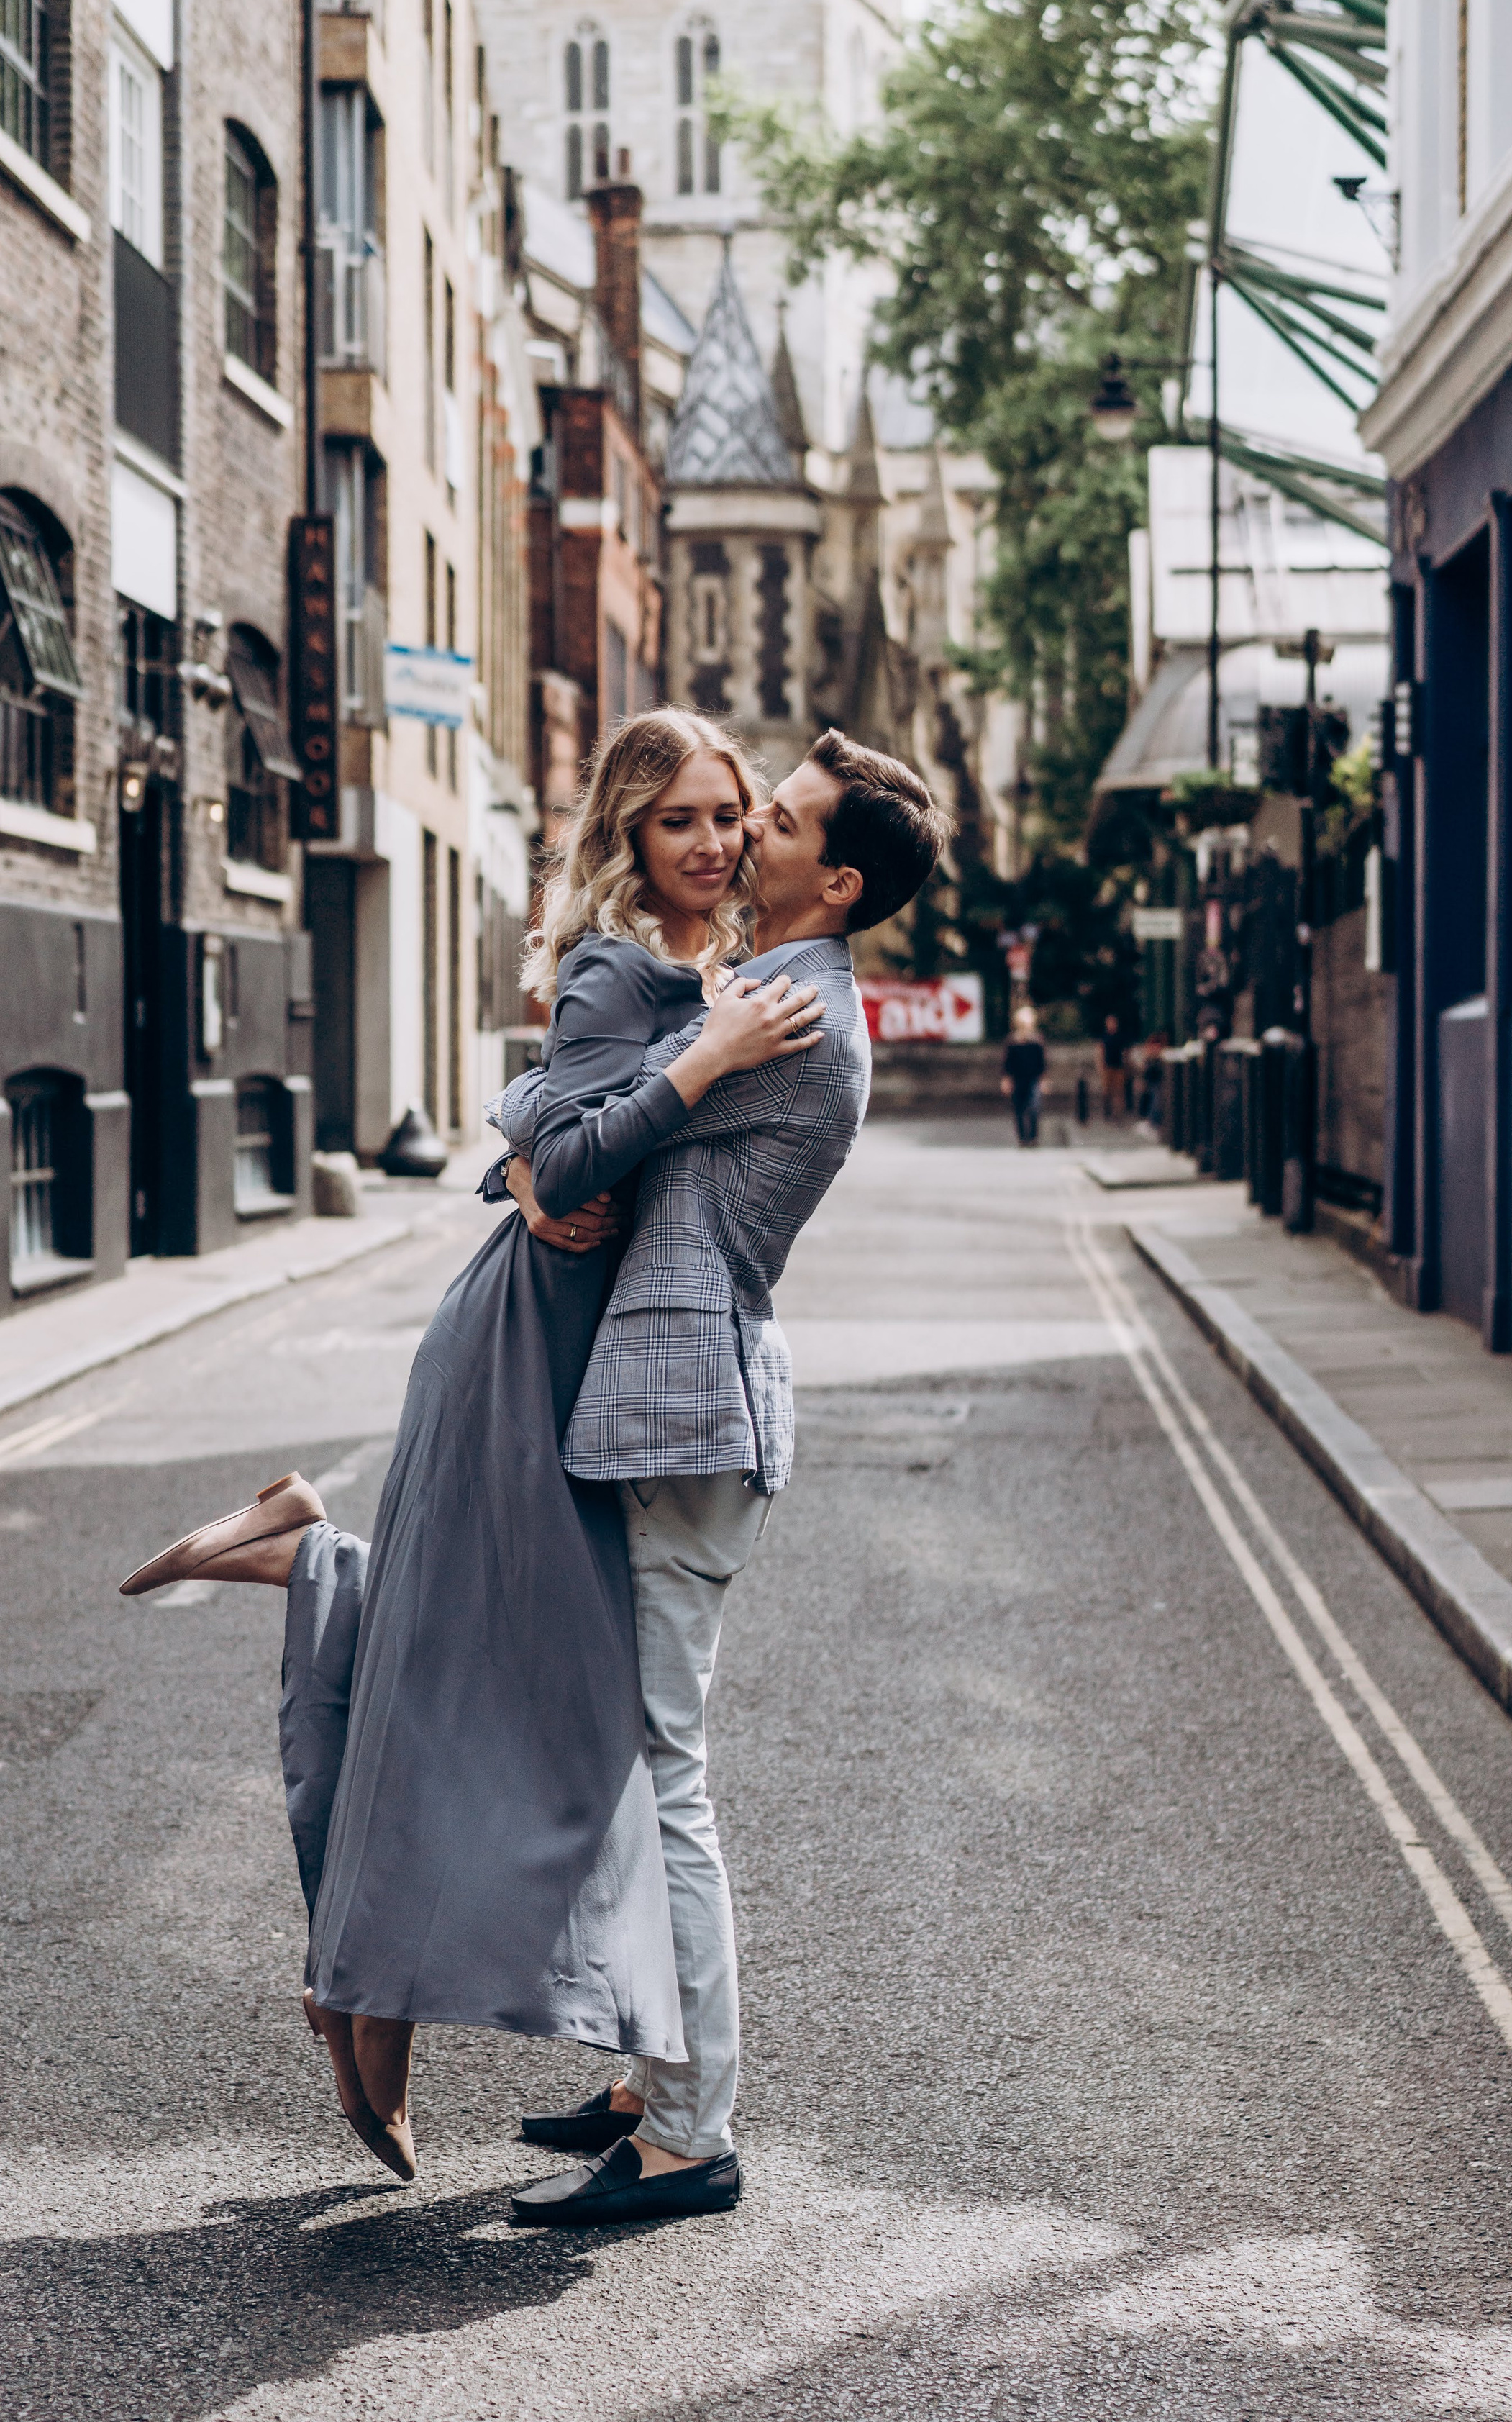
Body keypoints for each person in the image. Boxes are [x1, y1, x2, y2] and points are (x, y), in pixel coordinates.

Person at [117, 710, 826, 2183]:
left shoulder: (713, 975)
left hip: (594, 1358)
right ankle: (362, 1998)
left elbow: (552, 1151)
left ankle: (309, 1557)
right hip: (521, 1351)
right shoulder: (619, 969)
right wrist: (690, 1067)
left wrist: (667, 1073)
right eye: (678, 818)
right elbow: (553, 1161)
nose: (708, 841)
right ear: (629, 834)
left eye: (725, 815)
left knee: (513, 1683)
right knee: (464, 1680)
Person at [491, 729, 951, 2227]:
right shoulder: (773, 988)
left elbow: (583, 1145)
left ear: (839, 875)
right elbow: (571, 1127)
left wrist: (537, 1159)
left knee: (666, 1771)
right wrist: (526, 1157)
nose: (748, 828)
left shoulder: (780, 1010)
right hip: (690, 1407)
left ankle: (692, 2128)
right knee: (639, 1764)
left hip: (690, 1411)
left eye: (781, 817)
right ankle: (646, 2079)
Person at [1003, 1005, 1047, 1146]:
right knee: (1019, 1109)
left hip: (1033, 1079)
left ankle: (1033, 1136)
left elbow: (1042, 1062)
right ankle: (1023, 1137)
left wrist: (1044, 1080)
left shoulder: (1036, 1041)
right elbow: (1007, 1063)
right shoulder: (1012, 1041)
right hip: (1017, 1079)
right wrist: (1006, 1080)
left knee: (1034, 1108)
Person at [1097, 1012, 1129, 1125]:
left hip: (1118, 1067)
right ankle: (1107, 1112)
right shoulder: (1104, 1037)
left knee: (1119, 1091)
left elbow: (1125, 1052)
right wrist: (1100, 1066)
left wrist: (1126, 1066)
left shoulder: (1120, 1037)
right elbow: (1101, 1051)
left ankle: (1118, 1115)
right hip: (1108, 1067)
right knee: (1107, 1091)